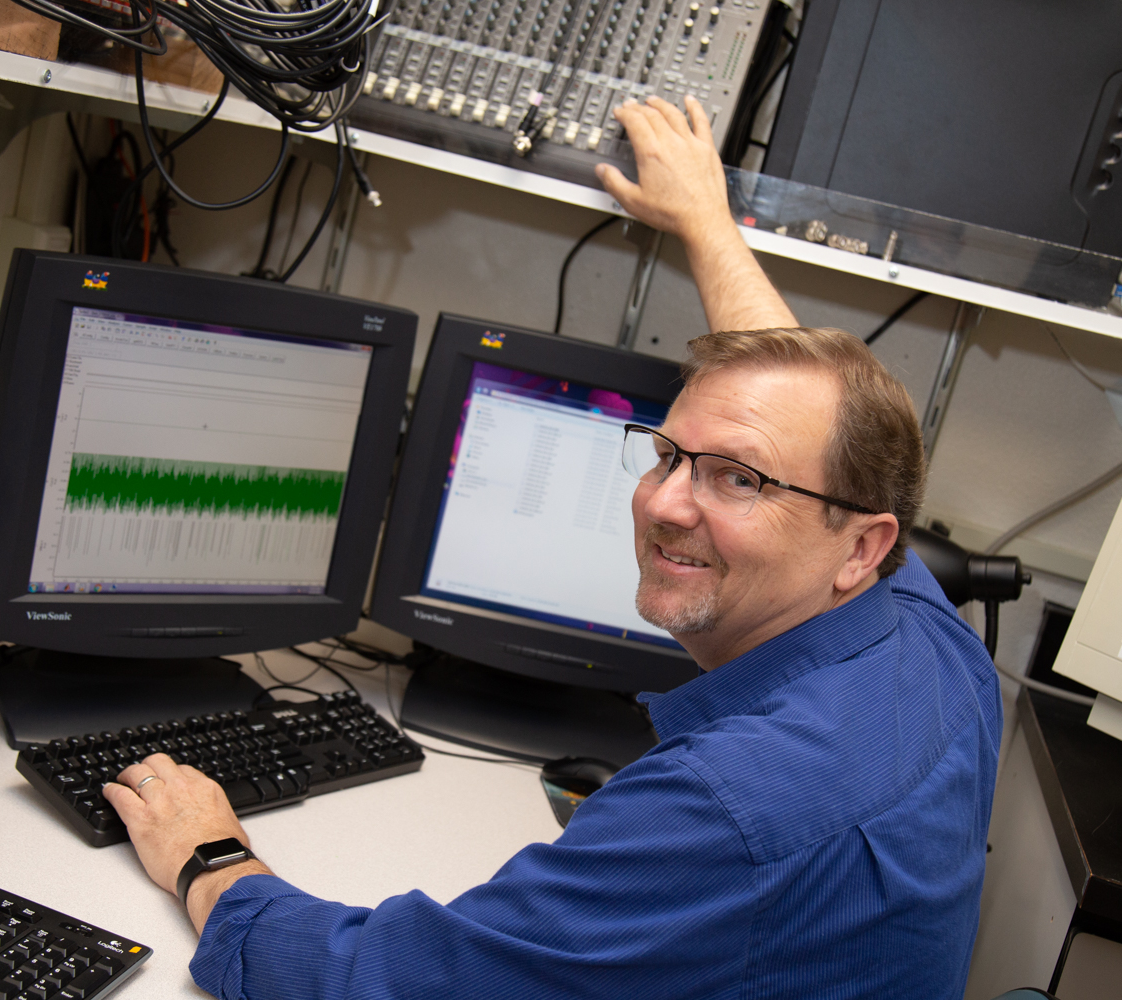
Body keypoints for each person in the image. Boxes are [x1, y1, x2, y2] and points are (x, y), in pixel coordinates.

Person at [101, 96, 1002, 1000]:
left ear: (861, 545)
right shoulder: (934, 647)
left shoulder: (723, 807)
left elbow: (379, 985)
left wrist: (210, 859)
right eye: (667, 454)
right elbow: (802, 413)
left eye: (738, 480)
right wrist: (704, 222)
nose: (665, 503)